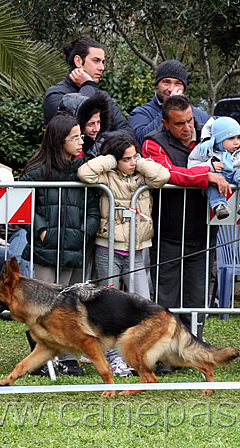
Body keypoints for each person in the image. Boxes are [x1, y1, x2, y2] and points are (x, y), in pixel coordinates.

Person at [142, 96, 240, 375]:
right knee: (165, 297)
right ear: (166, 123)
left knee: (197, 298)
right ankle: (163, 354)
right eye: (179, 124)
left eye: (190, 121)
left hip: (202, 231)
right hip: (168, 231)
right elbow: (166, 173)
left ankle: (191, 353)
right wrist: (205, 177)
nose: (188, 128)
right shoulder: (153, 141)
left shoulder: (211, 134)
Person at [78, 133, 170, 376]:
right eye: (126, 159)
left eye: (134, 157)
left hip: (138, 248)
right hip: (109, 246)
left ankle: (139, 354)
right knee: (108, 305)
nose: (132, 162)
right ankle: (112, 358)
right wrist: (109, 159)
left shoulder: (142, 174)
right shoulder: (106, 175)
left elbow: (164, 176)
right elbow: (84, 174)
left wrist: (139, 162)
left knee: (143, 301)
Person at [20, 112, 100, 376]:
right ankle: (40, 359)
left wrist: (83, 232)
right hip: (46, 249)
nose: (81, 142)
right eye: (74, 137)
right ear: (58, 140)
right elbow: (23, 208)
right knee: (43, 305)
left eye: (80, 136)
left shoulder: (84, 171)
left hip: (75, 247)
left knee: (68, 306)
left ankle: (67, 357)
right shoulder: (36, 173)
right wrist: (42, 231)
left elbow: (94, 207)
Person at [43, 38, 132, 137]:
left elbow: (127, 132)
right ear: (78, 61)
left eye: (102, 62)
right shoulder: (55, 95)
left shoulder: (102, 95)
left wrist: (99, 143)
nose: (102, 68)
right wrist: (88, 85)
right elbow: (75, 126)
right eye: (96, 61)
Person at [188, 116, 240, 219]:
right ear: (218, 140)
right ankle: (219, 205)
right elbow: (192, 164)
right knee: (213, 179)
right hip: (220, 175)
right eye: (231, 138)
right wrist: (209, 166)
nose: (236, 142)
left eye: (238, 137)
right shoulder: (205, 149)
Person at [129, 60, 210, 146]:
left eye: (178, 83)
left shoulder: (201, 116)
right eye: (166, 82)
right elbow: (140, 141)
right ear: (157, 85)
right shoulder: (140, 113)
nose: (171, 89)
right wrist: (169, 107)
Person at [59, 90, 123, 160]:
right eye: (90, 124)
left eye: (98, 122)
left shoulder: (104, 143)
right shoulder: (61, 153)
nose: (96, 129)